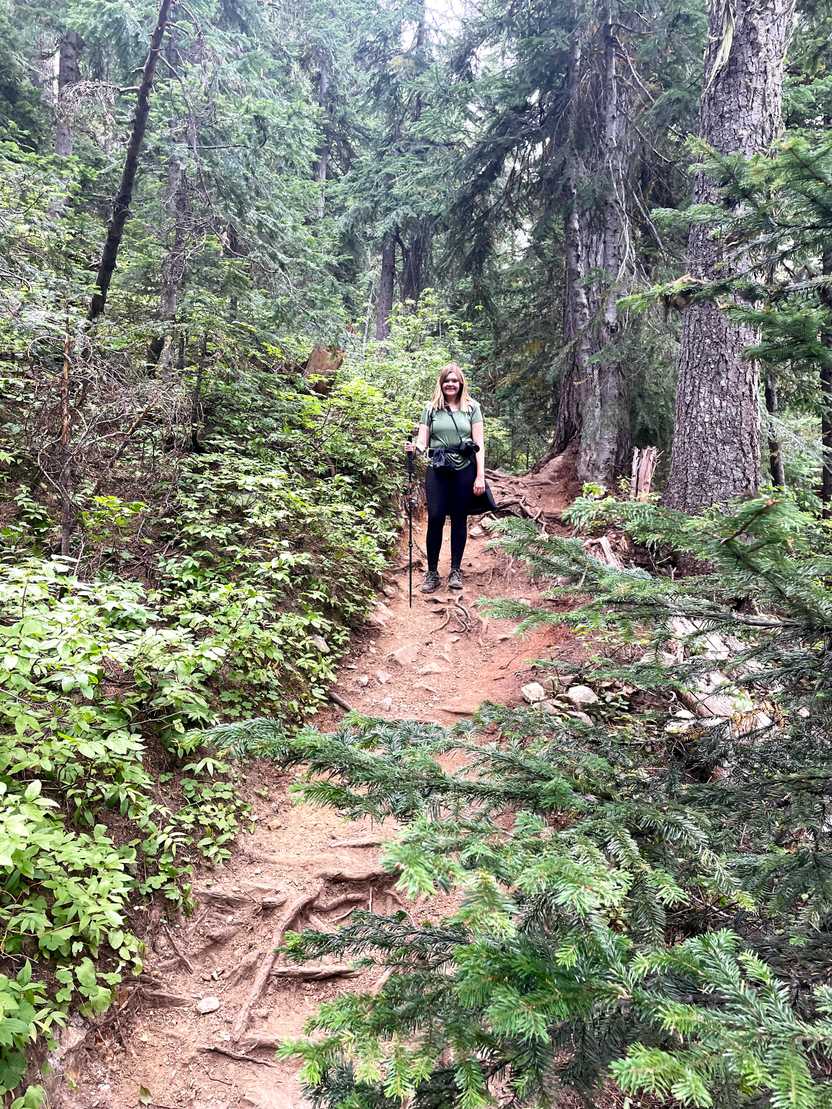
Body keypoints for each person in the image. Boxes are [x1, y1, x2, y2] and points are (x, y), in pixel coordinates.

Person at [405, 362, 485, 593]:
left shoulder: (472, 407)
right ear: (441, 383)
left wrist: (480, 476)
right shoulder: (430, 409)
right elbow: (423, 441)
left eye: (454, 381)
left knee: (459, 518)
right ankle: (432, 573)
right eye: (446, 381)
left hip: (464, 469)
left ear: (461, 383)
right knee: (437, 517)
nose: (450, 384)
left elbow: (479, 444)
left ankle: (456, 570)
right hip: (438, 468)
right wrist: (414, 449)